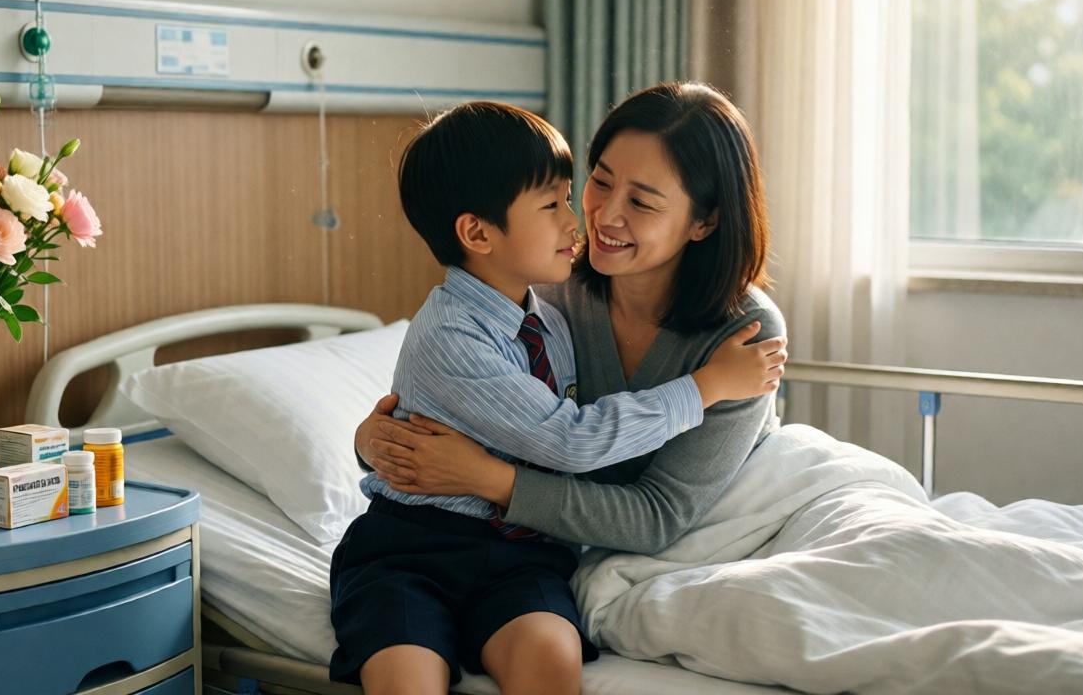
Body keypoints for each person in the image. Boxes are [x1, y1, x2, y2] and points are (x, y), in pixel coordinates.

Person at [330, 100, 785, 695]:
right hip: (422, 545)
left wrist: (486, 478)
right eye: (597, 182)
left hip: (527, 549)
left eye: (642, 202)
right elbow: (517, 420)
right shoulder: (553, 288)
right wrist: (371, 440)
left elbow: (655, 515)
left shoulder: (741, 339)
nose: (594, 219)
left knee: (549, 661)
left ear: (704, 221)